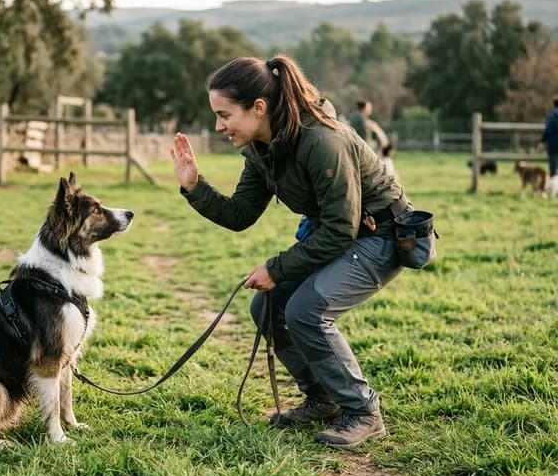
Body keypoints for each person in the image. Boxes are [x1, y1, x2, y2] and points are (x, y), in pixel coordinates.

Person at [170, 55, 414, 450]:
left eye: (224, 114)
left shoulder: (322, 141)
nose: (218, 126)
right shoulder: (262, 147)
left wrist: (276, 268)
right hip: (341, 233)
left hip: (383, 236)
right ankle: (324, 399)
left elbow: (340, 229)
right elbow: (240, 214)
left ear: (259, 108)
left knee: (306, 310)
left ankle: (363, 410)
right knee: (268, 309)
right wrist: (195, 186)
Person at [539, 96, 558, 178]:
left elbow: (548, 131)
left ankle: (554, 188)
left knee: (553, 169)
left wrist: (542, 141)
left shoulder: (552, 117)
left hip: (553, 145)